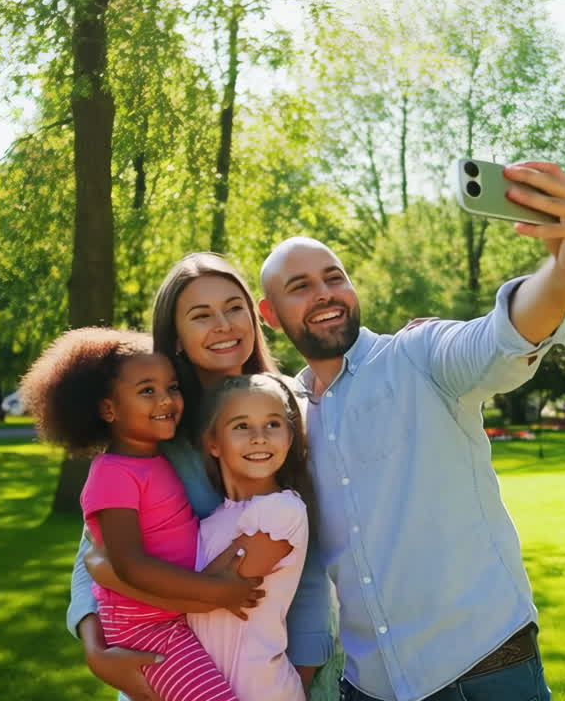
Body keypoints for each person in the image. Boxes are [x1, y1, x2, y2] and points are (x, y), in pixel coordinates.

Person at [256, 161, 565, 701]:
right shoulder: (284, 422)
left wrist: (564, 274)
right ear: (271, 315)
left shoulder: (419, 356)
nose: (324, 293)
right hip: (369, 686)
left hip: (485, 670)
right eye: (300, 287)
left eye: (334, 277)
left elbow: (500, 339)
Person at [66, 254, 337, 701]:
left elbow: (312, 558)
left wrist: (301, 674)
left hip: (274, 671)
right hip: (168, 669)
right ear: (175, 337)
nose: (224, 325)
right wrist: (96, 649)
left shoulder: (293, 411)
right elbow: (93, 552)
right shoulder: (153, 429)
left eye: (234, 308)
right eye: (201, 315)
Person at [21, 328, 255, 701]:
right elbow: (128, 563)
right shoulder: (113, 474)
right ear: (108, 409)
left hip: (170, 619)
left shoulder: (153, 459)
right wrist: (215, 592)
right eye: (147, 390)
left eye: (172, 387)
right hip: (147, 631)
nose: (166, 400)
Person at [181, 373, 317, 701]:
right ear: (213, 442)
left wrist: (123, 577)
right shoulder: (208, 522)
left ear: (289, 436)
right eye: (241, 426)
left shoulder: (282, 511)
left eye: (273, 424)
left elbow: (202, 597)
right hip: (199, 688)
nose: (259, 437)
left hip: (261, 690)